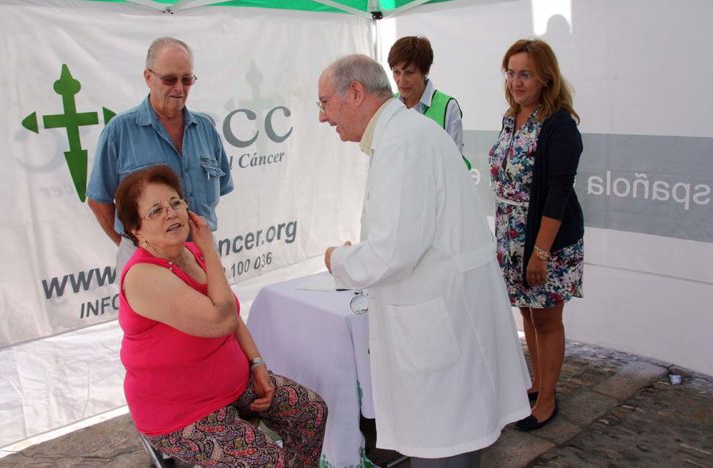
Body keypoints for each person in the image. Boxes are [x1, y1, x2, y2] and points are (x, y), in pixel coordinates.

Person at [318, 55, 530, 467]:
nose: (324, 117)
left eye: (324, 103)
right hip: (446, 317)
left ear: (356, 92)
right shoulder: (406, 134)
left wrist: (338, 259)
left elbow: (392, 254)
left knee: (444, 450)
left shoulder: (402, 143)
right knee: (452, 445)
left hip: (442, 330)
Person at [114, 165, 327, 466]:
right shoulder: (143, 276)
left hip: (234, 385)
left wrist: (257, 364)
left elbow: (233, 314)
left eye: (176, 203)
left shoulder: (191, 252)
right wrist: (209, 248)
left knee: (311, 412)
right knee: (266, 462)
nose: (171, 214)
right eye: (156, 211)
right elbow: (221, 319)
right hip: (181, 412)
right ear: (136, 230)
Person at [489, 38, 584, 431]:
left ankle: (547, 400)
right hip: (512, 238)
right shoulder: (512, 117)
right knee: (527, 313)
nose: (516, 81)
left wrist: (540, 253)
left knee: (547, 320)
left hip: (545, 241)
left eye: (525, 73)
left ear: (546, 77)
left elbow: (558, 194)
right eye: (511, 72)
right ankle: (537, 382)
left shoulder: (559, 125)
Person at [86, 36, 233, 275]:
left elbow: (221, 186)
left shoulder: (206, 128)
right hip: (147, 263)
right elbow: (98, 200)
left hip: (202, 257)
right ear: (148, 77)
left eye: (187, 79)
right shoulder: (120, 131)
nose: (179, 88)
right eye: (169, 79)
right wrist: (134, 246)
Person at [387, 35, 469, 167]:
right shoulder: (390, 104)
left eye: (409, 72)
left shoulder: (448, 107)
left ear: (425, 71)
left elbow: (454, 162)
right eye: (396, 72)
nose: (401, 80)